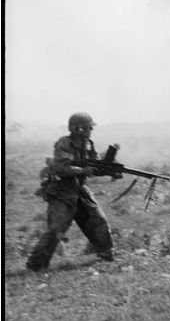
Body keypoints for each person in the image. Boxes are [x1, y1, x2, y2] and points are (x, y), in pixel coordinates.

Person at [26, 112, 115, 271]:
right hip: (62, 191)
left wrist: (109, 170)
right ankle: (36, 265)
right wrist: (83, 170)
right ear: (78, 129)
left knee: (98, 221)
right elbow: (61, 168)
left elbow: (92, 168)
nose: (90, 131)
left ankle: (106, 254)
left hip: (80, 190)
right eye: (88, 127)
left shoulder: (88, 144)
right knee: (55, 230)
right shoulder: (64, 144)